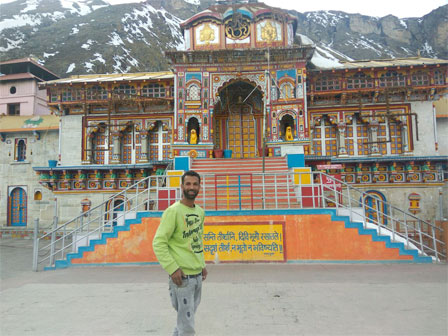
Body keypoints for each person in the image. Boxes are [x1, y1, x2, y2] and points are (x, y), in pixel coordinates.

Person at [153, 170, 207, 336]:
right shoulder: (173, 211)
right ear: (182, 186)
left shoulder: (200, 212)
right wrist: (172, 268)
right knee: (187, 325)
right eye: (188, 184)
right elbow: (159, 242)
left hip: (197, 276)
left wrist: (202, 265)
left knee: (185, 320)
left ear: (199, 187)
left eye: (195, 184)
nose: (192, 187)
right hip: (182, 278)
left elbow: (196, 240)